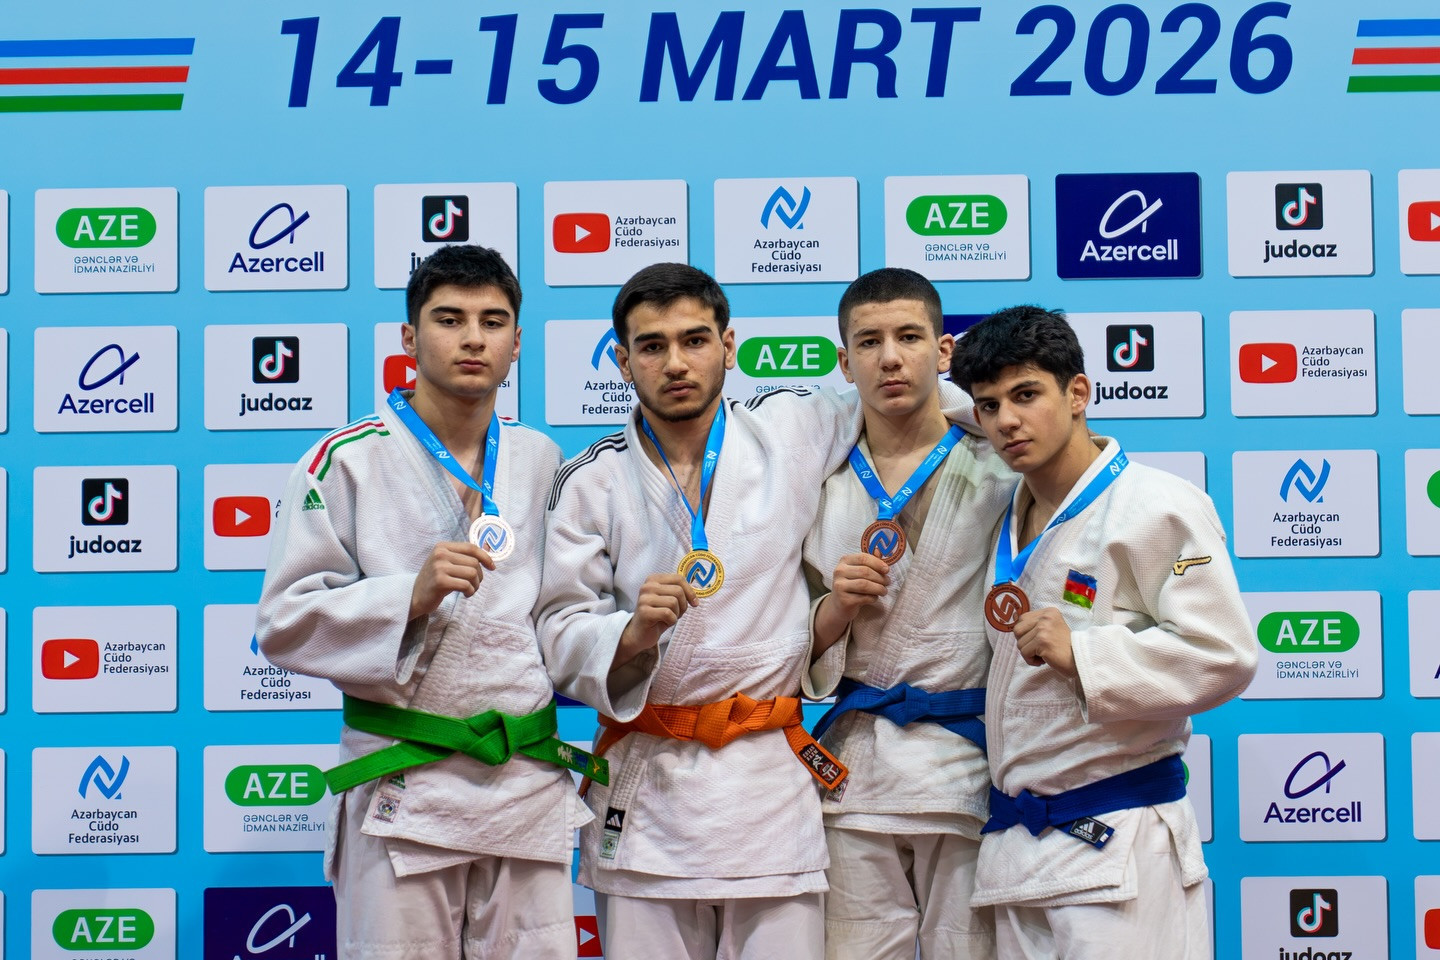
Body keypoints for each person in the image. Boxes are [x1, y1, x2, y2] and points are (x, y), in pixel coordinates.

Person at [255, 244, 599, 959]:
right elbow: (284, 623)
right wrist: (406, 596)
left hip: (524, 781)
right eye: (449, 320)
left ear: (516, 343)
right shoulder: (345, 460)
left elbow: (565, 610)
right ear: (409, 339)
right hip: (403, 780)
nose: (473, 338)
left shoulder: (542, 459)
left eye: (492, 322)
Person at [536, 262, 866, 960]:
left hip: (767, 788)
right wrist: (631, 632)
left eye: (694, 340)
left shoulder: (790, 430)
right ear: (622, 361)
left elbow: (900, 392)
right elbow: (558, 631)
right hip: (650, 792)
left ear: (729, 345)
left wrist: (996, 420)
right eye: (652, 346)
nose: (676, 362)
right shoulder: (591, 480)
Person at [948, 306, 1257, 960]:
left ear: (1079, 393)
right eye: (989, 406)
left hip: (1119, 841)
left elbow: (1224, 654)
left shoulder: (1159, 504)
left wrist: (1083, 655)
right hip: (1018, 849)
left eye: (1027, 395)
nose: (1007, 420)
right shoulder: (1004, 510)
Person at [801, 268, 1012, 960]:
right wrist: (835, 608)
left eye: (909, 337)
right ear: (845, 362)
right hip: (855, 773)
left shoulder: (1001, 467)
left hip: (967, 770)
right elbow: (786, 636)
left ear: (944, 350)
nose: (890, 357)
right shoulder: (816, 479)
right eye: (869, 342)